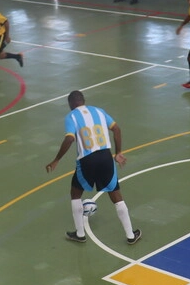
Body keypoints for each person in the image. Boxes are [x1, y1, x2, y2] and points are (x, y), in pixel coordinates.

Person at [44, 90, 141, 246]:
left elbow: (69, 139)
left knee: (75, 193)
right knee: (115, 194)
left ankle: (80, 234)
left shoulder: (71, 116)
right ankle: (130, 235)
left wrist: (56, 160)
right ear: (83, 100)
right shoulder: (99, 111)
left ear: (70, 104)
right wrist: (118, 153)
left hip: (87, 160)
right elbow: (116, 129)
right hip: (105, 157)